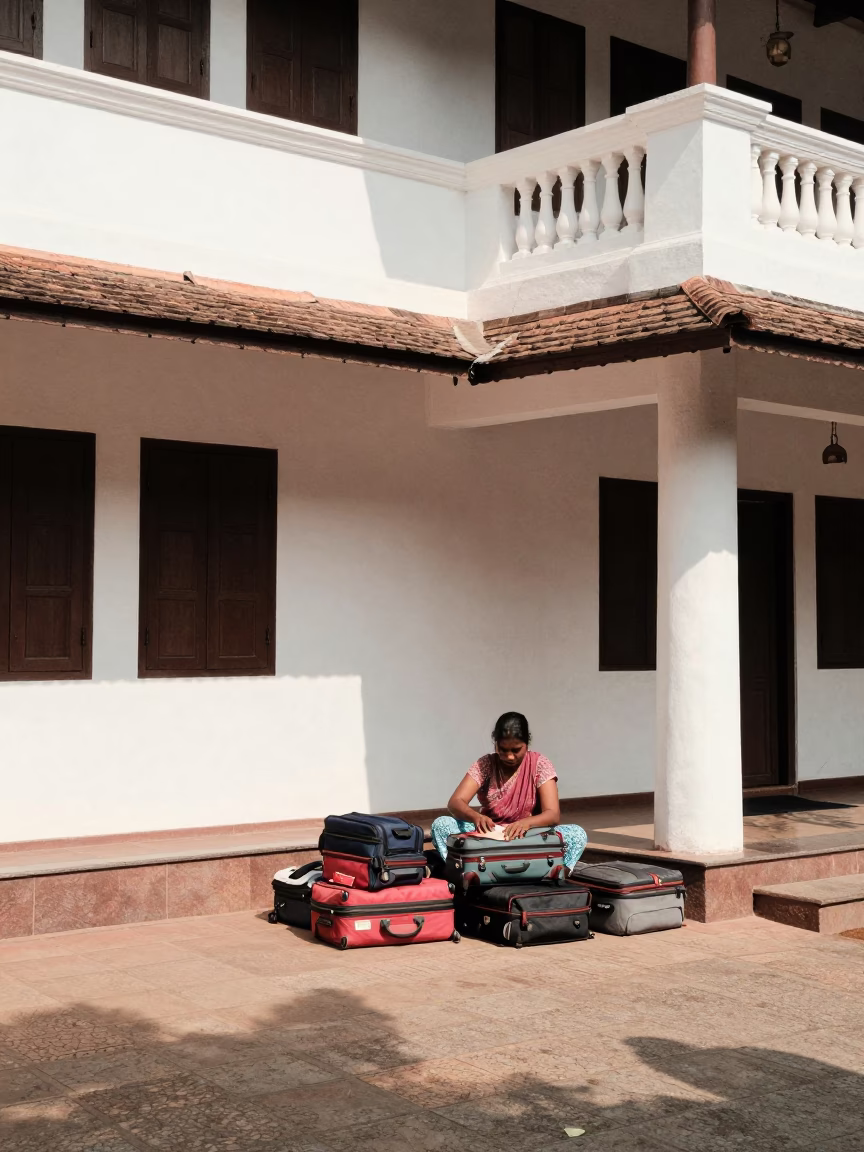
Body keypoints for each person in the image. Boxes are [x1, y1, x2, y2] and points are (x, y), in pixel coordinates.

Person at [431, 711, 587, 873]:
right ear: (495, 743)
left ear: (527, 744)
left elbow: (552, 815)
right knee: (442, 825)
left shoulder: (540, 764)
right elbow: (455, 802)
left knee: (577, 834)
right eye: (503, 750)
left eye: (516, 750)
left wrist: (525, 823)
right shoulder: (485, 764)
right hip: (489, 837)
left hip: (527, 836)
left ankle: (555, 873)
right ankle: (464, 871)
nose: (510, 756)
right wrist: (476, 817)